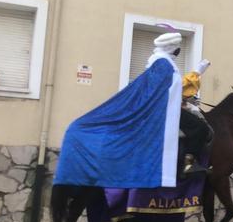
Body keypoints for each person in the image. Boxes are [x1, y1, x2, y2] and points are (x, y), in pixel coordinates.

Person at [54, 30, 184, 189]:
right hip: (164, 109)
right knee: (199, 128)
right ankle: (188, 165)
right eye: (178, 47)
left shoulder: (162, 62)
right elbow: (161, 91)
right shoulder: (163, 65)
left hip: (169, 106)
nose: (179, 50)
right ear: (173, 48)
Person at [179, 58, 213, 176]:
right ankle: (188, 163)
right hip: (170, 109)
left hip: (174, 106)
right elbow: (180, 88)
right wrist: (197, 72)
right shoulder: (164, 62)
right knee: (200, 128)